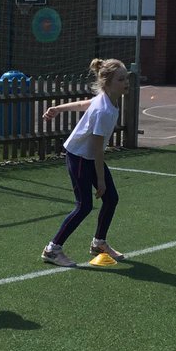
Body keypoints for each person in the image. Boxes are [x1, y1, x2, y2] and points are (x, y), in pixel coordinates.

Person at [40, 58, 131, 267]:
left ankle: (99, 243)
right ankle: (52, 249)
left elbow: (84, 104)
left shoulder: (108, 100)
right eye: (121, 79)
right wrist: (100, 180)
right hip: (80, 156)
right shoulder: (104, 110)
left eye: (127, 78)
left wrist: (58, 108)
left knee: (111, 198)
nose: (126, 82)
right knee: (84, 206)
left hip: (89, 156)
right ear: (107, 82)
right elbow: (98, 150)